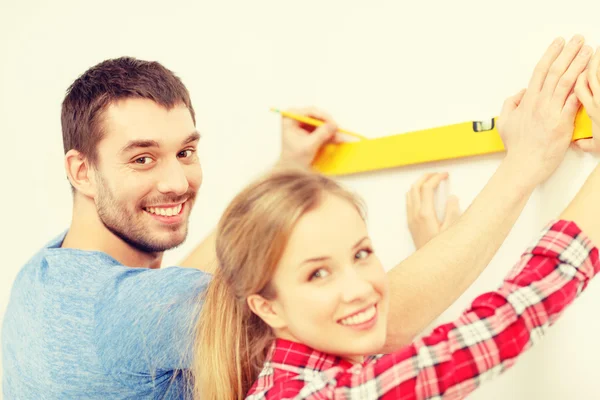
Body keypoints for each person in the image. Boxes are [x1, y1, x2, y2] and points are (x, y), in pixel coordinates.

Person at [1, 34, 591, 399]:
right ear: (80, 171)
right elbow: (384, 324)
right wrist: (527, 163)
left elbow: (189, 279)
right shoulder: (137, 317)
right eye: (142, 158)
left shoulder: (47, 275)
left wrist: (282, 172)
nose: (178, 181)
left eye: (186, 150)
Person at [192, 47, 600, 399]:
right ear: (268, 307)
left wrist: (436, 255)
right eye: (317, 274)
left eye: (362, 253)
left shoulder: (294, 376)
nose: (360, 288)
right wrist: (527, 163)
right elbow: (503, 325)